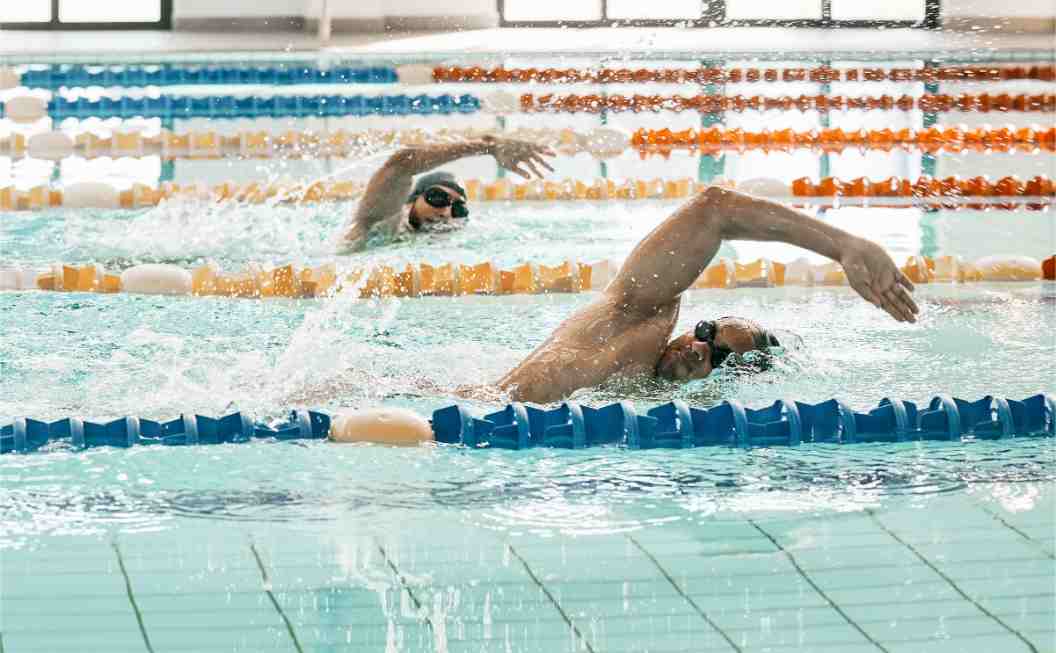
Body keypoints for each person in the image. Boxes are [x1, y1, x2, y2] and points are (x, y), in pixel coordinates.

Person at [331, 184, 919, 445]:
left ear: (721, 381)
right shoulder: (639, 317)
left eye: (717, 355)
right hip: (444, 409)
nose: (698, 348)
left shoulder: (653, 400)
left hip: (462, 416)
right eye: (707, 332)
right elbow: (717, 207)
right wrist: (843, 245)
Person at [339, 135, 555, 250]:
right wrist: (487, 147)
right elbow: (401, 164)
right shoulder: (378, 225)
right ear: (409, 201)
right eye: (438, 198)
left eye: (459, 209)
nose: (446, 212)